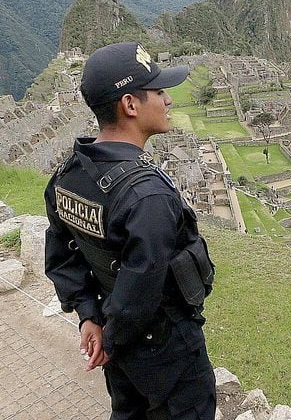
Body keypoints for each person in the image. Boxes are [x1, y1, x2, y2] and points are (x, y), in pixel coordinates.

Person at [44, 42, 216, 420]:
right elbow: (143, 282)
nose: (168, 100)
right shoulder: (146, 195)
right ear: (130, 105)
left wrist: (90, 316)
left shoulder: (68, 176)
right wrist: (111, 335)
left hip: (117, 340)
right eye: (158, 92)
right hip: (165, 346)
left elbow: (62, 257)